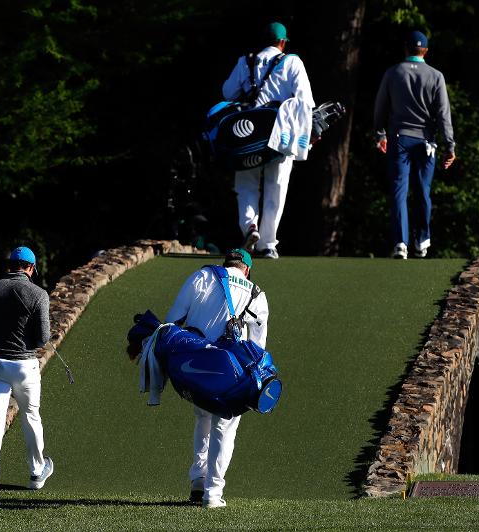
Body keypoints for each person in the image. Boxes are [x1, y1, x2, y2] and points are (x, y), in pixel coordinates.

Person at [164, 248, 269, 508]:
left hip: (196, 367)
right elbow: (258, 349)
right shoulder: (257, 294)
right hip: (231, 375)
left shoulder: (201, 277)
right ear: (247, 269)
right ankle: (213, 493)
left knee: (202, 418)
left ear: (226, 263)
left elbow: (171, 321)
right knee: (224, 428)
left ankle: (197, 479)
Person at [222, 21, 315, 259]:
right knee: (277, 187)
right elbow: (305, 100)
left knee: (246, 184)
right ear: (283, 42)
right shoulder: (292, 62)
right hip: (279, 132)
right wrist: (309, 133)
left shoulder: (245, 61)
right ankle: (267, 244)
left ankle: (249, 228)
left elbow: (227, 92)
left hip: (247, 133)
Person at [0, 246, 53, 501]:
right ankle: (37, 471)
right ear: (30, 268)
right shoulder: (38, 293)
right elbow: (42, 339)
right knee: (30, 416)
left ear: (10, 266)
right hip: (23, 366)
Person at [373, 30, 456, 259]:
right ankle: (422, 240)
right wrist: (450, 146)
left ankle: (401, 243)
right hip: (426, 141)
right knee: (423, 191)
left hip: (399, 137)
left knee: (400, 190)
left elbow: (380, 107)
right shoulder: (436, 76)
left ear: (405, 48)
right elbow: (443, 113)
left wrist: (380, 134)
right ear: (425, 51)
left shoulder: (393, 72)